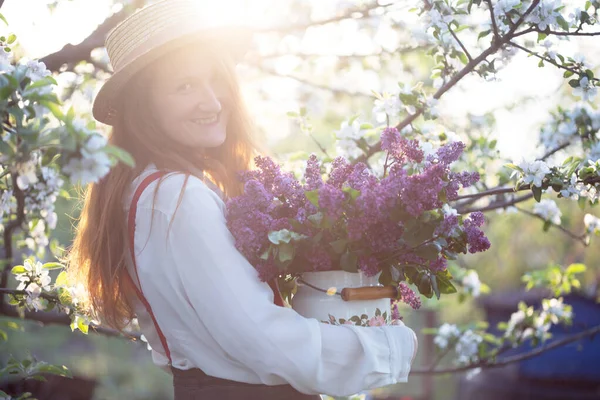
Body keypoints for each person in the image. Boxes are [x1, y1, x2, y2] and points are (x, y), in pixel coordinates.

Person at [65, 0, 418, 399]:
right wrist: (387, 346)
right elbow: (261, 336)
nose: (213, 102)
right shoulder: (178, 198)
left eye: (215, 79)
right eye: (184, 86)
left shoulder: (152, 191)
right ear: (143, 106)